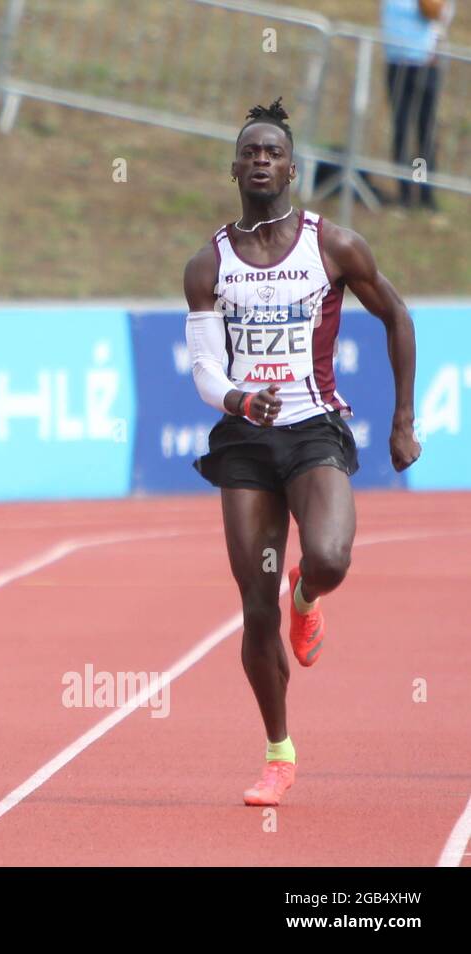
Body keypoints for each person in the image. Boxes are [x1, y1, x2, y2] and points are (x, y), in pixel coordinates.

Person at [183, 99, 421, 806]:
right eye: (249, 150)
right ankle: (279, 752)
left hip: (315, 428)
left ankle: (309, 593)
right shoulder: (208, 264)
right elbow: (203, 371)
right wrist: (236, 400)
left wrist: (403, 420)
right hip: (246, 442)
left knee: (330, 557)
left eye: (272, 151)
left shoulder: (334, 246)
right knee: (254, 605)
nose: (261, 158)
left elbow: (398, 315)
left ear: (292, 167)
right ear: (235, 168)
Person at [381, 0, 457, 209]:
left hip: (424, 63)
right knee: (402, 129)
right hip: (397, 61)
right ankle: (405, 192)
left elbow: (443, 14)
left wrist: (436, 42)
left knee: (424, 132)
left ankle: (424, 189)